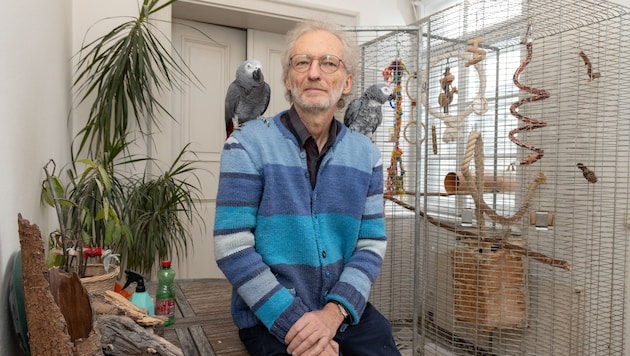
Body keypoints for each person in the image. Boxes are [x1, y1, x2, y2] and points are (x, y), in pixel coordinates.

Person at [213, 19, 400, 356]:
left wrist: (333, 314)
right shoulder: (246, 145)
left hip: (342, 312)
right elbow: (232, 246)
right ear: (288, 79)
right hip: (268, 316)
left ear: (347, 83)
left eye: (329, 62)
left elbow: (370, 244)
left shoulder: (367, 155)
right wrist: (298, 326)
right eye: (302, 62)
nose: (315, 73)